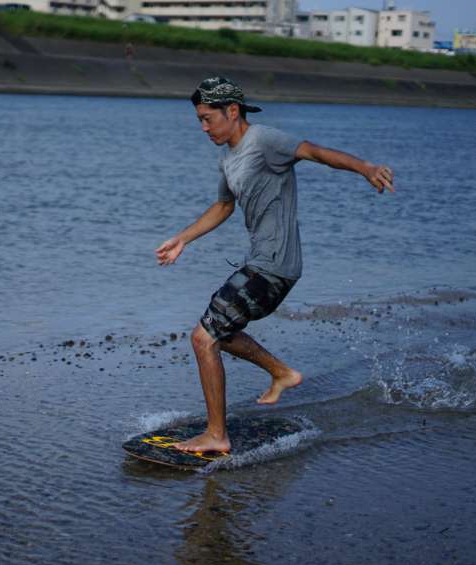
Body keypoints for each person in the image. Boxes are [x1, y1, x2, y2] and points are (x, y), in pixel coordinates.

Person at [155, 76, 395, 454]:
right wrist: (183, 238)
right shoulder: (229, 159)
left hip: (274, 266)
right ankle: (281, 373)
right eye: (199, 120)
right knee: (219, 332)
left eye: (207, 118)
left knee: (204, 338)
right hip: (263, 264)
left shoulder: (264, 140)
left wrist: (364, 167)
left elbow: (313, 151)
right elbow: (223, 207)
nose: (203, 127)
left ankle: (218, 434)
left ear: (232, 111)